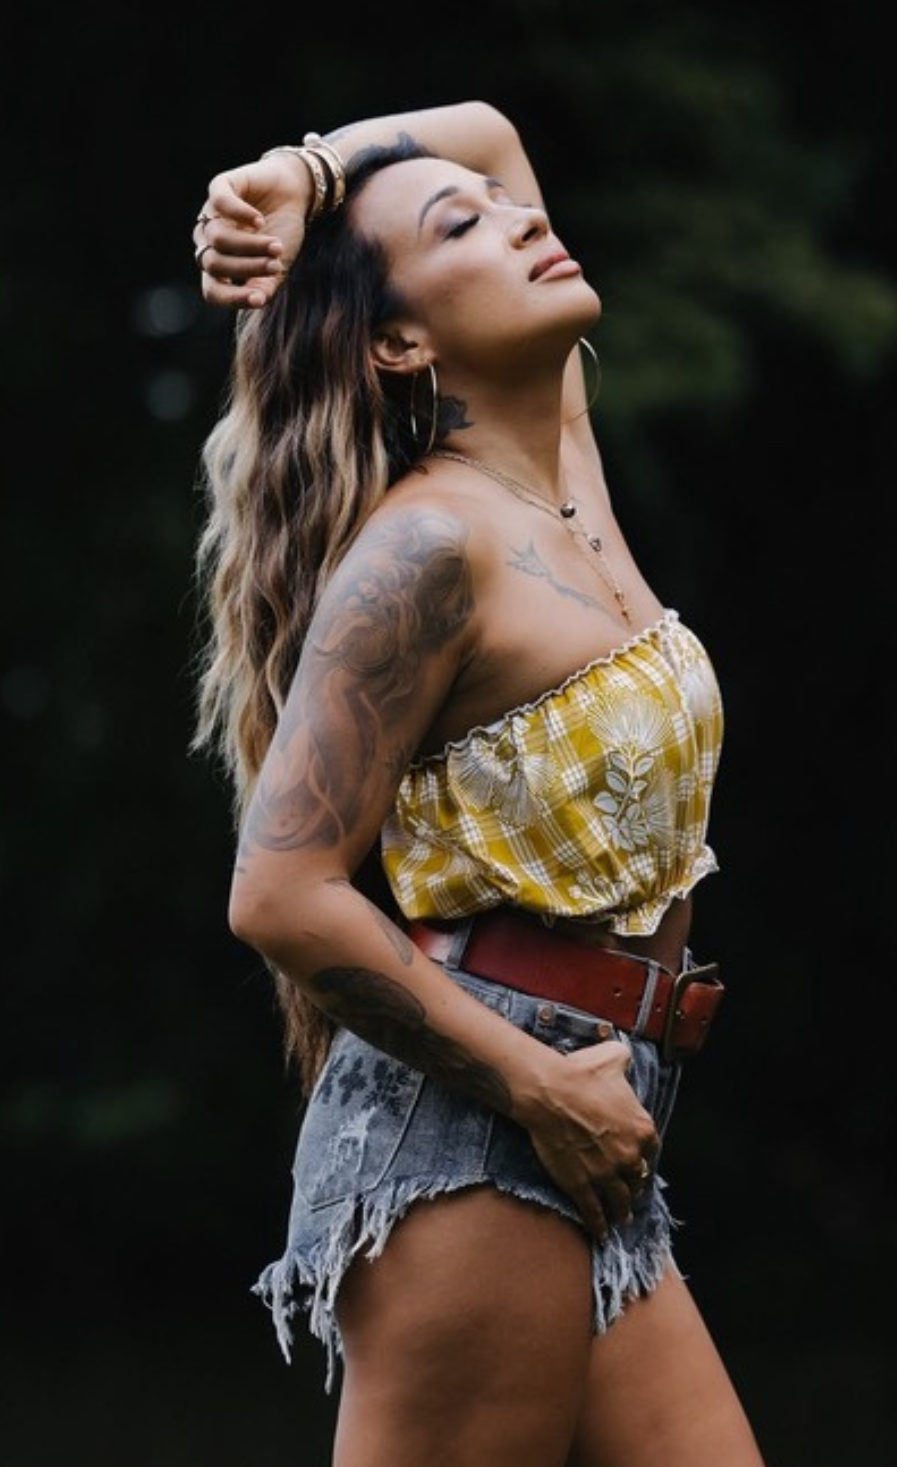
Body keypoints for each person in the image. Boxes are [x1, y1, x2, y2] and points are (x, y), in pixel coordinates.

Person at [189, 101, 766, 1467]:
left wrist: (308, 172)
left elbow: (492, 132)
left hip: (599, 1117)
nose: (519, 216)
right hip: (483, 1122)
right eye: (464, 225)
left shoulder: (563, 468)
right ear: (400, 343)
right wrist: (538, 1089)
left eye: (510, 209)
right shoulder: (428, 548)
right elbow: (278, 893)